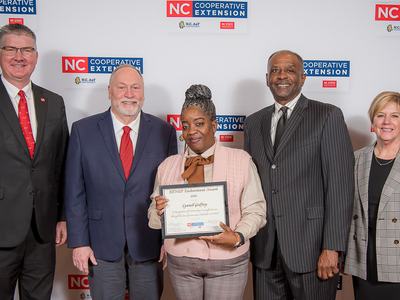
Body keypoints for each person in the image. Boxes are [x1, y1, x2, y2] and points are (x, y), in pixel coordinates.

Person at [244, 50, 354, 300]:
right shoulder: (253, 123)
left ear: (303, 77)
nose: (281, 75)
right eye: (275, 70)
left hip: (312, 250)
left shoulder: (327, 116)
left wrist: (332, 247)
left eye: (290, 70)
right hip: (265, 250)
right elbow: (248, 185)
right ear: (267, 78)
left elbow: (340, 187)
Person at [65, 64, 177, 299]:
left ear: (143, 93)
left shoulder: (164, 131)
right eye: (122, 87)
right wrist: (79, 242)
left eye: (135, 87)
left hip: (149, 242)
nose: (129, 94)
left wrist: (169, 238)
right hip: (100, 243)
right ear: (109, 91)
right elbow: (74, 190)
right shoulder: (82, 131)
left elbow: (170, 190)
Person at [148, 84, 266, 300]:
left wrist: (238, 236)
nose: (191, 131)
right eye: (185, 125)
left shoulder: (241, 160)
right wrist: (158, 210)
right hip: (181, 263)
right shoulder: (168, 166)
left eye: (199, 123)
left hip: (227, 262)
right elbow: (154, 222)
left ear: (214, 124)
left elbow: (256, 209)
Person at [0, 24, 69, 299]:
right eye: (11, 49)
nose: (20, 56)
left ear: (36, 56)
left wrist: (63, 216)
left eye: (27, 49)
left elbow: (62, 163)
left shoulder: (53, 102)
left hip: (42, 229)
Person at [345, 91, 400, 300]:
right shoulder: (356, 159)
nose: (387, 122)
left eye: (395, 115)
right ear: (373, 121)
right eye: (380, 115)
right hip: (365, 259)